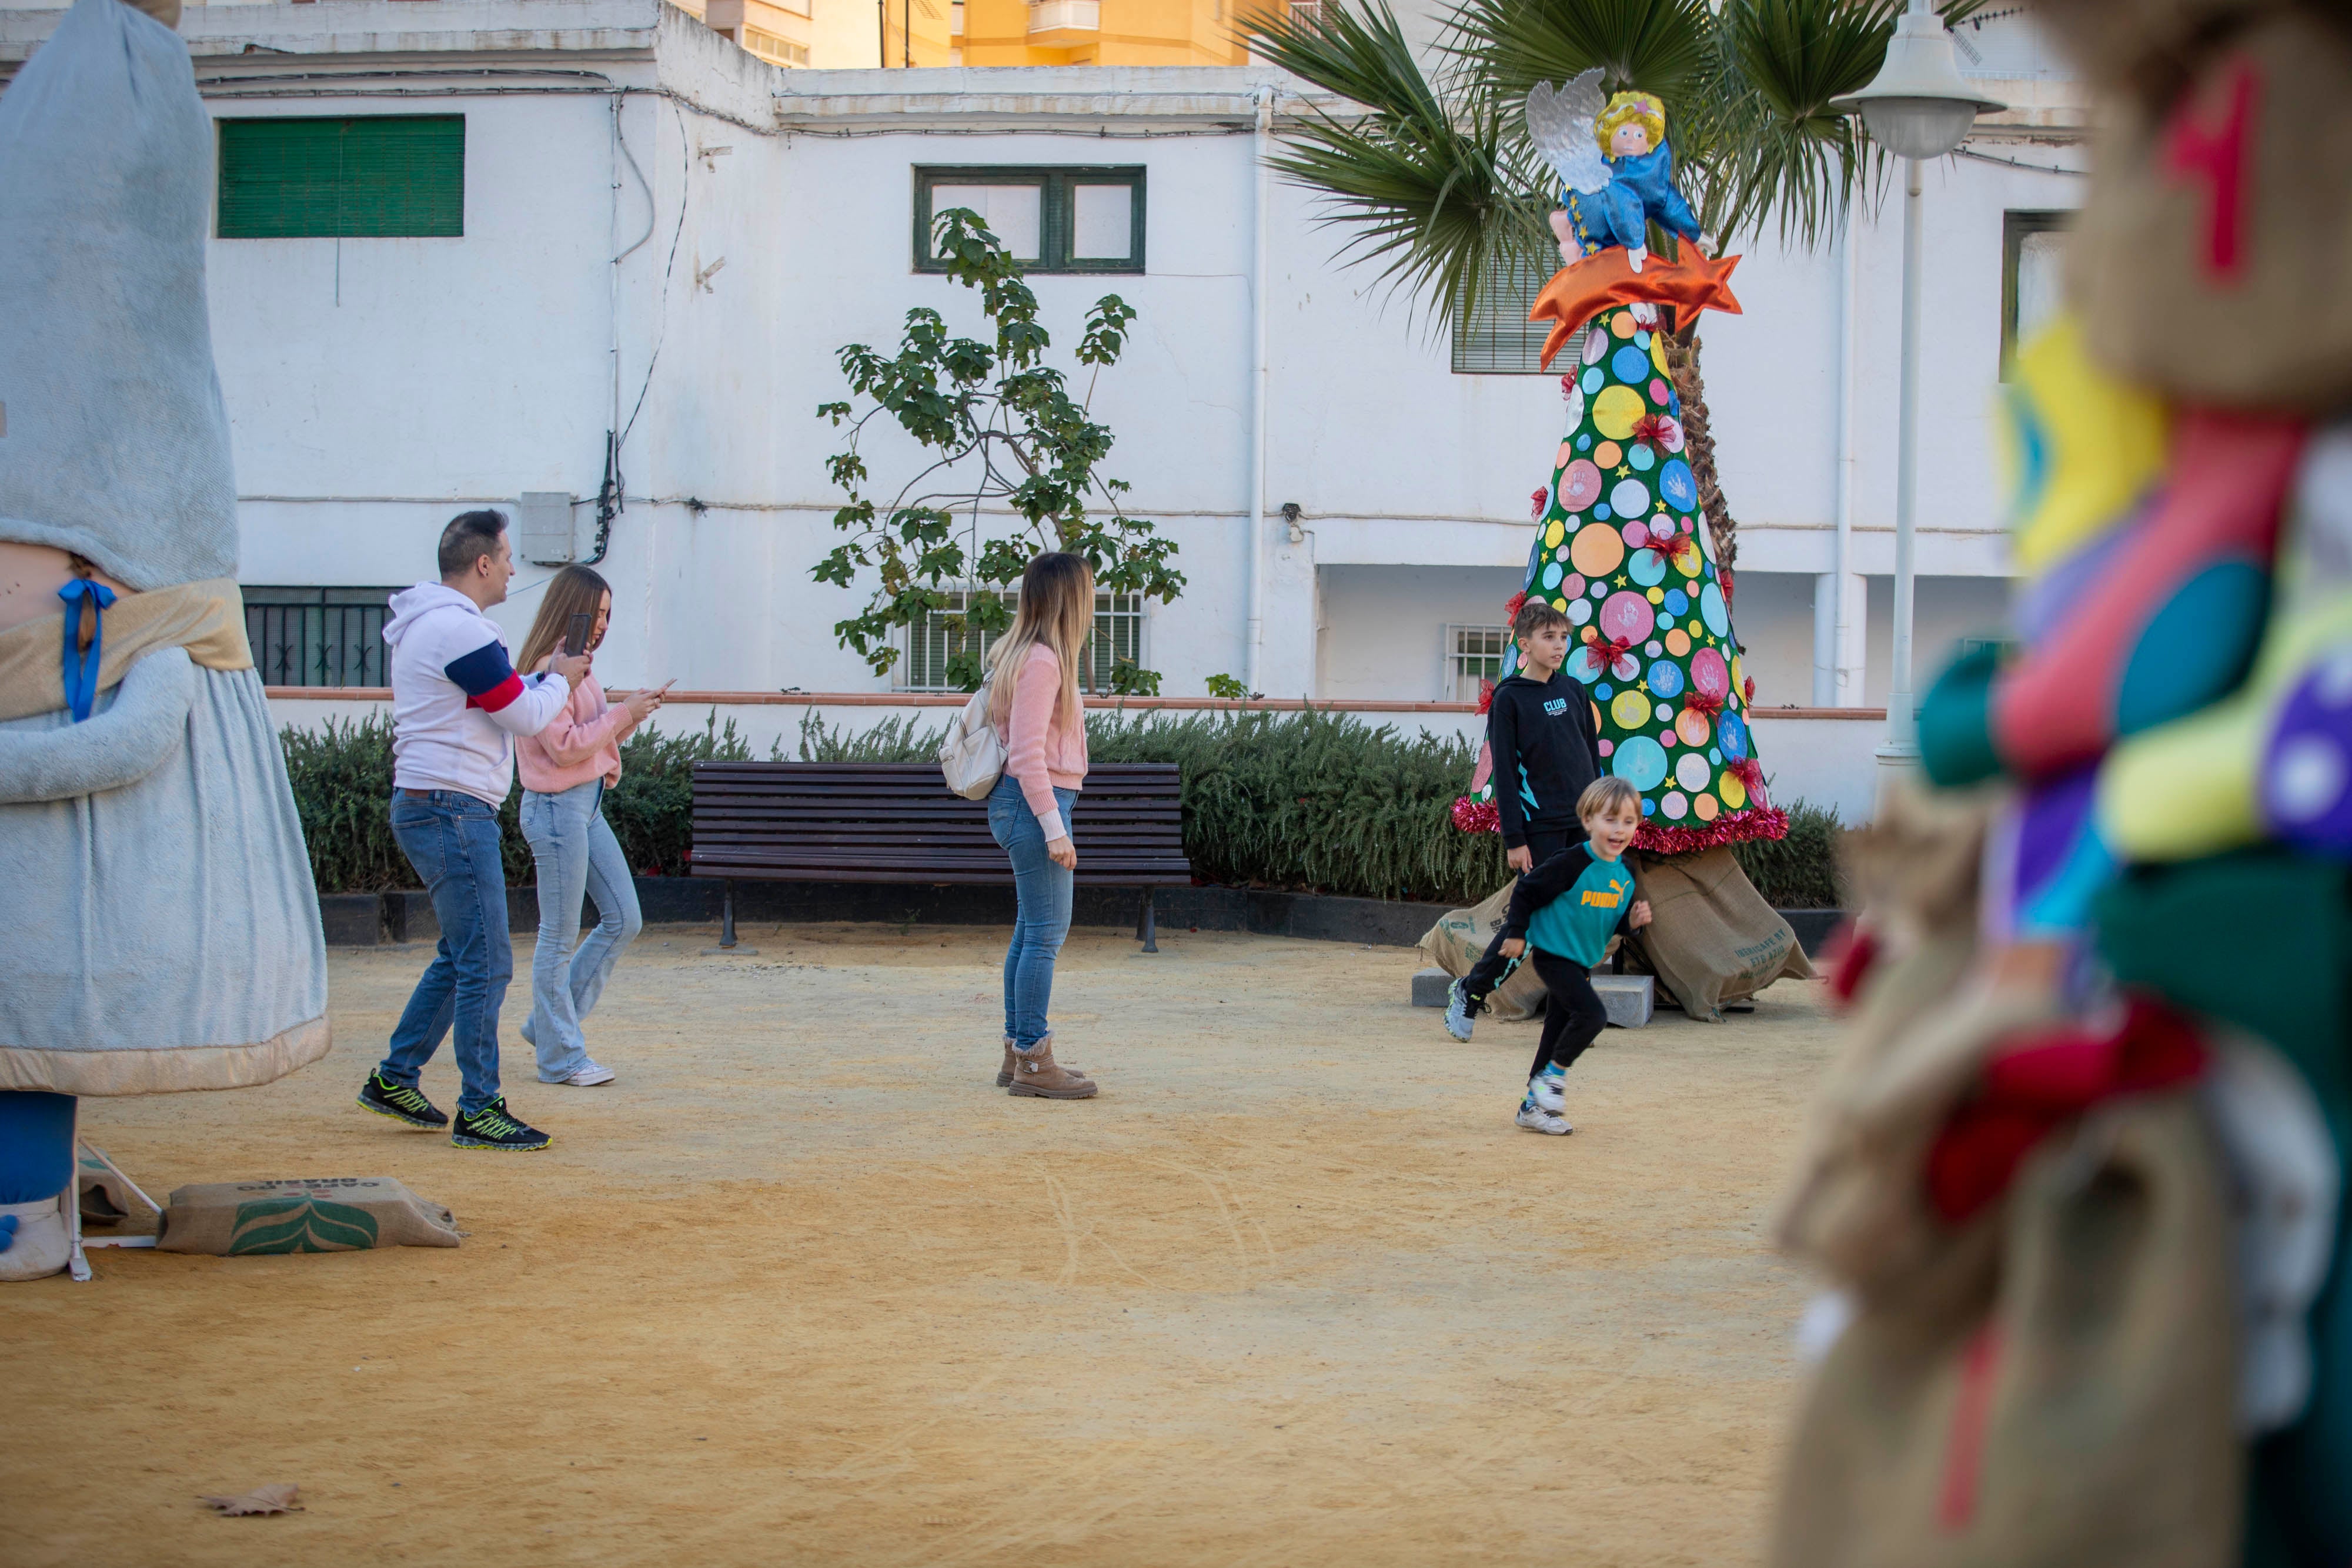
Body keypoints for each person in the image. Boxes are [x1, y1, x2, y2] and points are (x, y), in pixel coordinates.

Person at [356, 510, 587, 1151]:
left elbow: (508, 694)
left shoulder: (432, 626)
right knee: (486, 962)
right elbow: (521, 714)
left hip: (435, 804)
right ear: (482, 563)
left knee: (463, 956)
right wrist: (561, 683)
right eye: (508, 556)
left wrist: (546, 680)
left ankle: (397, 1077)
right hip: (452, 809)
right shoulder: (459, 631)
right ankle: (480, 1107)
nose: (515, 567)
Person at [513, 565, 670, 1088]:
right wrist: (624, 713)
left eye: (608, 614)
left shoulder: (577, 667)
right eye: (596, 613)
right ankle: (560, 1057)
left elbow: (588, 739)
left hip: (585, 805)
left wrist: (629, 715)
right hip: (557, 809)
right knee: (557, 937)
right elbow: (563, 747)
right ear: (572, 609)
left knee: (625, 917)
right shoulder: (548, 669)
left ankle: (549, 1027)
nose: (602, 624)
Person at [1446, 596, 1603, 1042]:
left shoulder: (1574, 690)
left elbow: (1590, 757)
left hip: (1581, 826)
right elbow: (1508, 776)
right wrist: (1515, 839)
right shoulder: (1509, 698)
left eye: (1563, 638)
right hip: (1540, 829)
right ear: (1524, 642)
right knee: (1531, 922)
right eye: (1549, 637)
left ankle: (1573, 1009)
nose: (1558, 646)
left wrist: (1600, 818)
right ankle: (1470, 992)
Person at [1471, 776, 1653, 1135]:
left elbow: (1612, 921)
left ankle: (1531, 1107)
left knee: (1555, 1031)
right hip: (1554, 956)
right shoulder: (1572, 862)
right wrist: (1518, 933)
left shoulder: (1627, 873)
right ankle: (1551, 1080)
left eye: (1628, 822)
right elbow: (1526, 890)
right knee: (1593, 1016)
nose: (1619, 830)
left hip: (1583, 961)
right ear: (1587, 821)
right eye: (1609, 820)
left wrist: (1631, 923)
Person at [984, 552, 1100, 1099]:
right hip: (1036, 802)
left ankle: (1019, 1054)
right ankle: (1033, 1060)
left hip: (1026, 804)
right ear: (1068, 599)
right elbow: (1027, 755)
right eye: (1088, 593)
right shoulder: (1043, 661)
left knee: (1031, 930)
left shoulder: (1021, 653)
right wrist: (1056, 828)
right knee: (1046, 934)